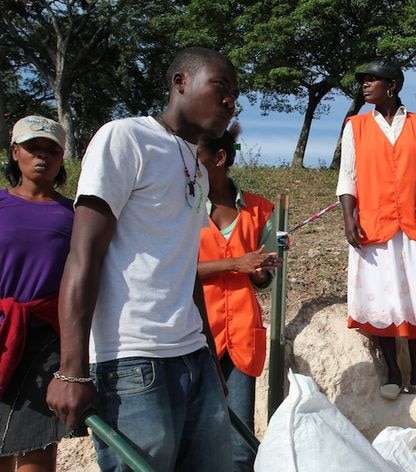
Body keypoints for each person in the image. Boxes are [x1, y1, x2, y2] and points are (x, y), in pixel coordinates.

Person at [45, 47, 238, 471]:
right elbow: (84, 254)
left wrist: (206, 354)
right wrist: (72, 369)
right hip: (132, 362)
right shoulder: (125, 138)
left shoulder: (198, 168)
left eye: (235, 95)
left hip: (192, 356)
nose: (230, 102)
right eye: (221, 87)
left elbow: (185, 270)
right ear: (180, 82)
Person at [337, 59, 416, 401]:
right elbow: (348, 176)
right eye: (363, 80)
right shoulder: (354, 126)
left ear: (392, 85)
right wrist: (348, 217)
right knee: (383, 299)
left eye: (372, 80)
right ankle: (392, 371)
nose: (364, 85)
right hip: (374, 226)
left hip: (415, 225)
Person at [197, 124, 279, 472]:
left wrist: (260, 272)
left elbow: (266, 278)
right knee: (196, 435)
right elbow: (175, 271)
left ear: (219, 158)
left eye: (195, 157)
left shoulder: (260, 210)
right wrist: (235, 262)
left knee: (240, 441)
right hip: (196, 334)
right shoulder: (182, 207)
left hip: (242, 335)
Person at [0, 116, 71, 472]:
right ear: (15, 153)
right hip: (0, 334)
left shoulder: (73, 214)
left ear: (61, 158)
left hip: (47, 344)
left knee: (36, 453)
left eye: (51, 150)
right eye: (33, 149)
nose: (42, 157)